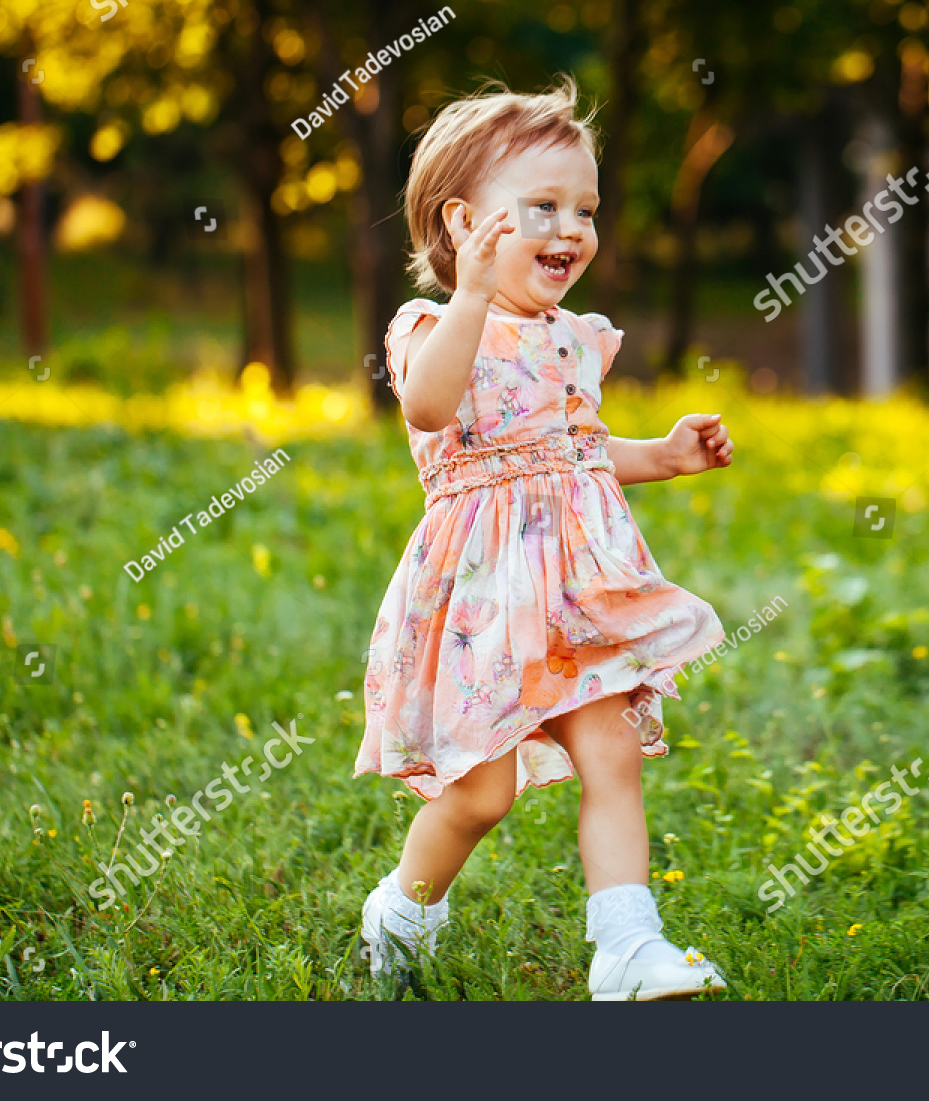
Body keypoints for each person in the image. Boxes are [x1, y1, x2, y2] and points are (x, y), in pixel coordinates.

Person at [354, 76, 735, 1001]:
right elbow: (430, 406)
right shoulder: (434, 328)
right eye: (543, 208)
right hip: (482, 600)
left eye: (586, 209)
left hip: (576, 594)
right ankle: (401, 911)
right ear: (462, 224)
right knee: (480, 794)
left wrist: (666, 456)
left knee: (611, 751)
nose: (571, 229)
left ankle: (628, 946)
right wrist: (475, 295)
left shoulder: (572, 337)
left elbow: (580, 451)